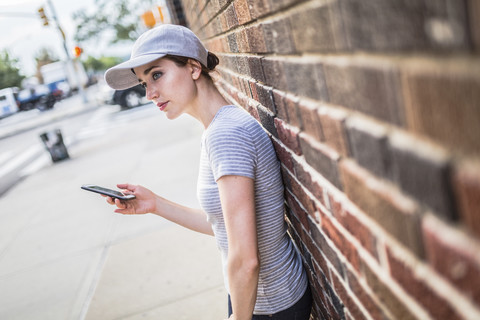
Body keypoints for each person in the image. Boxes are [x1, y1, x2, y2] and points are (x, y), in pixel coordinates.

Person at [103, 24, 312, 320]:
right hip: (256, 297)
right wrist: (154, 204)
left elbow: (245, 260)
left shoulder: (225, 135)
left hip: (269, 304)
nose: (149, 93)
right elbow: (226, 227)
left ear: (192, 68)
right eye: (143, 83)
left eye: (156, 74)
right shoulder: (219, 126)